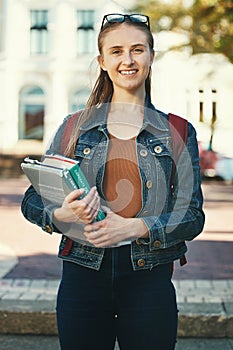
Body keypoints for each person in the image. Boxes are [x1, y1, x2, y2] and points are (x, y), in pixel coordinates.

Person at [21, 13, 205, 350]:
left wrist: (133, 228)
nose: (128, 60)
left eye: (137, 49)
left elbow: (192, 216)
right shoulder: (75, 127)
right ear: (102, 61)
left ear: (151, 56)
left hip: (149, 276)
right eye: (117, 51)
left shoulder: (178, 130)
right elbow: (33, 200)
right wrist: (62, 215)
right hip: (82, 274)